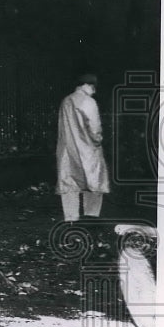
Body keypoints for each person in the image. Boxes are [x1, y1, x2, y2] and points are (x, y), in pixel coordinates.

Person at [56, 73, 109, 222]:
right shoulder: (89, 102)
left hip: (67, 151)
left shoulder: (65, 101)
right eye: (93, 87)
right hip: (87, 151)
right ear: (87, 85)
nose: (94, 90)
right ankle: (90, 219)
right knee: (94, 184)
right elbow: (95, 129)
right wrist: (98, 141)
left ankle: (71, 220)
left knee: (69, 185)